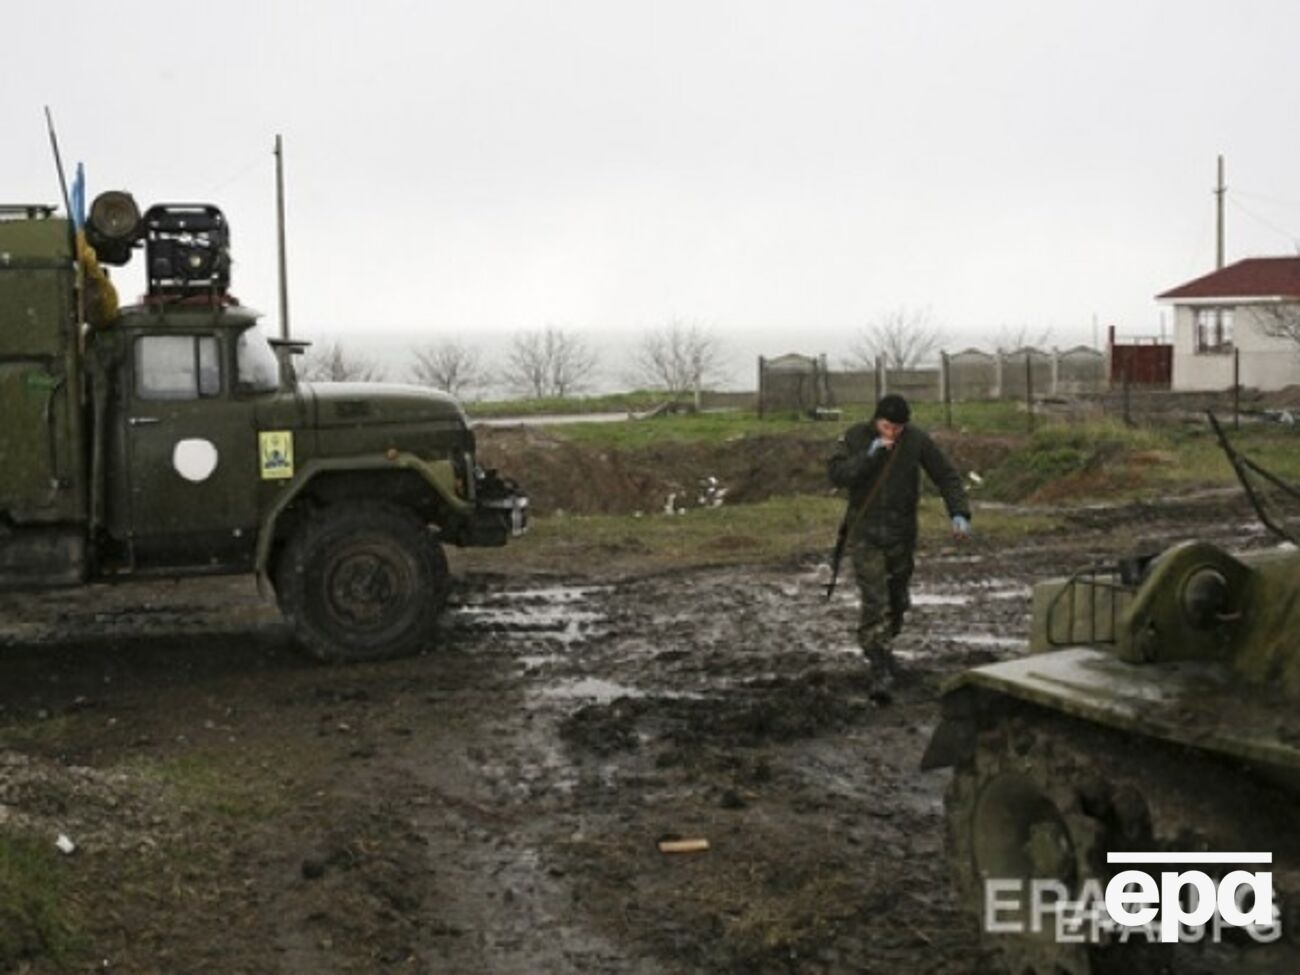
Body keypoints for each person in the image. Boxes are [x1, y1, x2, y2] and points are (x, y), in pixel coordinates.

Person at [827, 393, 971, 701]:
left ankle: (885, 647)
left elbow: (946, 475)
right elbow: (838, 475)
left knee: (897, 599)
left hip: (901, 534)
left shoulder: (916, 440)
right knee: (874, 598)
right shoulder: (855, 437)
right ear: (876, 420)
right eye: (887, 426)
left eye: (898, 427)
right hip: (865, 533)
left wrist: (959, 513)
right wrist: (870, 454)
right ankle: (878, 665)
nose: (892, 432)